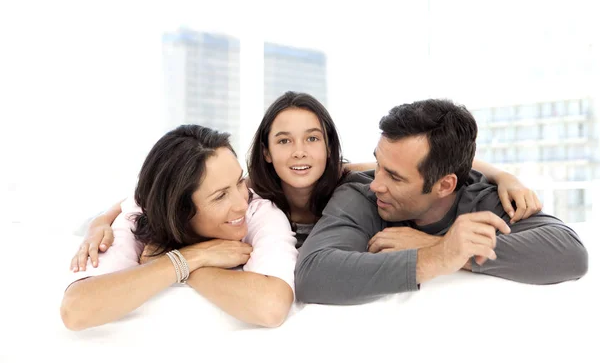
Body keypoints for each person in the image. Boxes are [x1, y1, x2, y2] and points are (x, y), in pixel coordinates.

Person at [73, 92, 542, 265]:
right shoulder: (247, 195)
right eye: (284, 141)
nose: (300, 152)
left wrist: (502, 174)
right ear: (266, 153)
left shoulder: (351, 181)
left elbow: (442, 173)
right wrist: (102, 221)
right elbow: (150, 197)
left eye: (312, 138)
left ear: (329, 145)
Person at [294, 98, 589, 305]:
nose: (377, 183)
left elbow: (570, 253)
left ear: (445, 185)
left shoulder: (484, 198)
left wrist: (438, 247)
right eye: (378, 164)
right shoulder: (361, 193)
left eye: (395, 177)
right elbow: (314, 275)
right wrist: (436, 259)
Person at [61, 125, 297, 330]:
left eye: (238, 182)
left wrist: (179, 264)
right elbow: (76, 311)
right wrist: (191, 257)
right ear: (179, 209)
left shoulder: (260, 211)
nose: (240, 203)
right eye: (220, 196)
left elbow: (272, 307)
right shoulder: (140, 217)